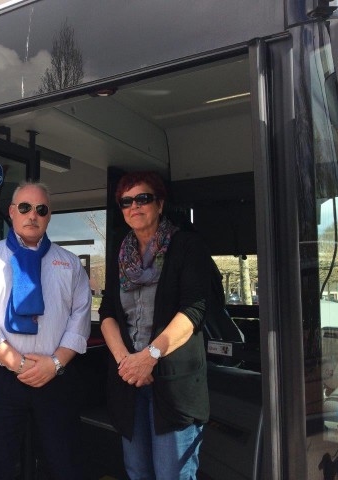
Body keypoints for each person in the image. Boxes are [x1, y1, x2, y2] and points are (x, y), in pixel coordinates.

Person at [0, 181, 91, 480]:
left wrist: (54, 363)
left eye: (41, 209)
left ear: (49, 216)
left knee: (64, 466)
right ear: (12, 212)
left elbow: (81, 317)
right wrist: (17, 364)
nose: (33, 215)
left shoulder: (69, 264)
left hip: (54, 378)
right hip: (0, 381)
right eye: (25, 208)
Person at [99, 171, 210, 480]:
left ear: (160, 204)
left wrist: (150, 357)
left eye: (143, 198)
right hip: (129, 382)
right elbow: (108, 312)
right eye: (126, 202)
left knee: (171, 474)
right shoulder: (120, 254)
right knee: (137, 472)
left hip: (173, 386)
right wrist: (126, 362)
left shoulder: (186, 245)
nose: (134, 206)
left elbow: (193, 309)